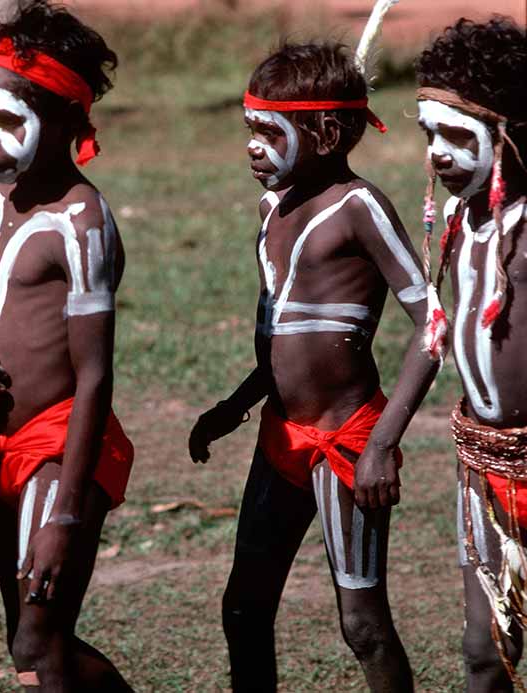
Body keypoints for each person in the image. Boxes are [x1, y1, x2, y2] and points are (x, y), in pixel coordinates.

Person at [187, 39, 438, 692]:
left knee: (362, 624)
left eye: (268, 131)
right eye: (249, 130)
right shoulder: (272, 209)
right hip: (280, 435)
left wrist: (383, 443)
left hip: (345, 439)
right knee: (243, 605)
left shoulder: (359, 208)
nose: (251, 146)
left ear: (325, 132)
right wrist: (236, 404)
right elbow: (281, 335)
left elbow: (433, 325)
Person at [0, 3, 134, 690]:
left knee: (37, 642)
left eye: (9, 121)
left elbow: (95, 377)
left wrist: (67, 512)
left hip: (61, 447)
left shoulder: (83, 224)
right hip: (11, 450)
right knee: (33, 642)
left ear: (70, 125)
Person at [414, 17, 527, 692]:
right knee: (483, 650)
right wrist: (384, 434)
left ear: (511, 134)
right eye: (429, 134)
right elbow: (431, 331)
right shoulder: (463, 223)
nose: (437, 154)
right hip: (481, 468)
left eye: (458, 136)